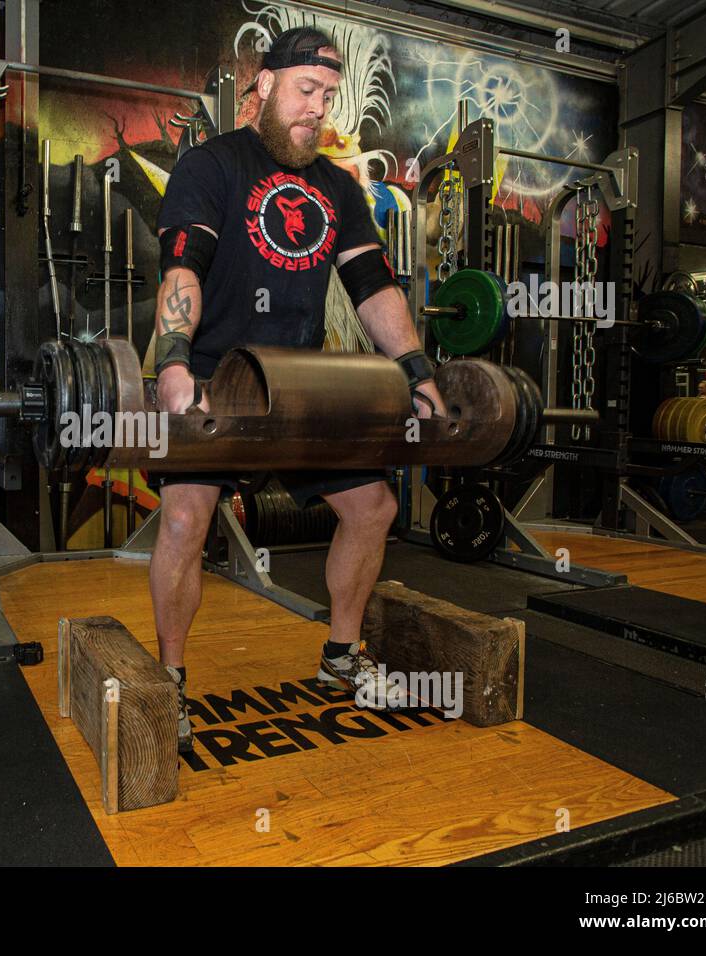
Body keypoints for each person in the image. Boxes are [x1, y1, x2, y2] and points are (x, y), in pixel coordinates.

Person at [150, 27, 447, 751]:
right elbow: (182, 265)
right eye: (306, 92)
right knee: (187, 521)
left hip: (303, 381)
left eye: (328, 95)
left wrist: (418, 370)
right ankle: (171, 681)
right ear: (264, 85)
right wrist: (174, 359)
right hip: (221, 373)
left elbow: (372, 285)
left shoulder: (338, 187)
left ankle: (341, 658)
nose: (318, 109)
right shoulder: (211, 165)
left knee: (372, 507)